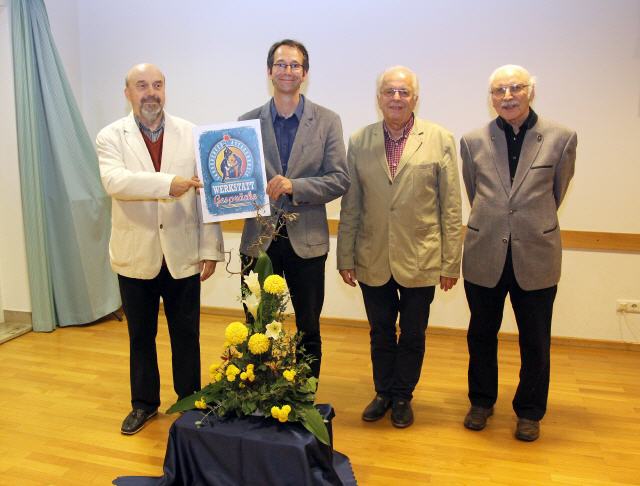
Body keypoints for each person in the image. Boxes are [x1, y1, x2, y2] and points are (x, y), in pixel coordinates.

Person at [96, 63, 225, 435]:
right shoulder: (110, 136)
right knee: (141, 336)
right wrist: (169, 183)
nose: (150, 92)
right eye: (141, 85)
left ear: (165, 89)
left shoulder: (191, 133)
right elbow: (116, 182)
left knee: (187, 335)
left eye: (157, 85)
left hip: (183, 252)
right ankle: (144, 404)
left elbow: (205, 195)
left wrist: (210, 248)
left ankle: (189, 400)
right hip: (136, 255)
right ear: (128, 93)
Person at [336, 66, 462, 428]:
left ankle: (403, 395)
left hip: (421, 256)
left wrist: (451, 263)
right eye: (389, 91)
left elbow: (451, 207)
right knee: (380, 331)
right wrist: (345, 256)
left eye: (404, 92)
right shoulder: (360, 141)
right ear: (378, 98)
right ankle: (383, 392)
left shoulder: (440, 139)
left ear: (415, 99)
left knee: (413, 333)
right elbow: (351, 205)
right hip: (372, 255)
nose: (396, 98)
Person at [460, 64, 577, 441]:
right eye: (499, 90)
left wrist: (527, 222)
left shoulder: (561, 137)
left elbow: (557, 190)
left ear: (531, 92)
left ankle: (529, 411)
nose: (507, 96)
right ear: (491, 97)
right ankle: (481, 402)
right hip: (485, 252)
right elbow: (475, 192)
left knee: (535, 340)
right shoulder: (473, 141)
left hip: (536, 254)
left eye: (516, 88)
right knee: (481, 334)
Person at [238, 39, 349, 379]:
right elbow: (237, 178)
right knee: (257, 325)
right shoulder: (246, 123)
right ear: (269, 71)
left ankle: (303, 394)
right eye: (281, 64)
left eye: (295, 65)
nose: (287, 70)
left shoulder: (327, 121)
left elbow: (339, 179)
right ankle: (261, 392)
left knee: (308, 327)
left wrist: (295, 186)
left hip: (308, 241)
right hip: (259, 241)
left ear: (305, 73)